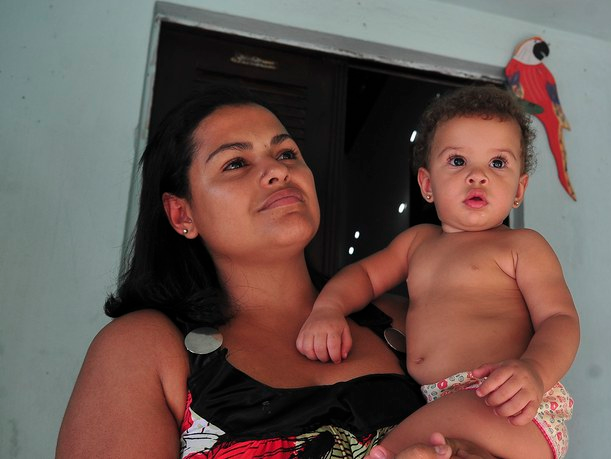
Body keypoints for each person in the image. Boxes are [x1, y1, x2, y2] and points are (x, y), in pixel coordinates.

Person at [55, 86, 493, 459]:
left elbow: (520, 428)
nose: (278, 170)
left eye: (286, 152)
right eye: (235, 163)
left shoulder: (404, 321)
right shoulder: (143, 348)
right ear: (181, 213)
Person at [296, 85, 580, 459]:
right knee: (422, 451)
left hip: (506, 401)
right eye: (458, 161)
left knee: (386, 452)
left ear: (518, 190)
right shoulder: (417, 243)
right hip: (452, 410)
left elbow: (559, 318)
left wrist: (535, 371)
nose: (478, 176)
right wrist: (328, 309)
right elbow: (364, 276)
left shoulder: (522, 246)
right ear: (428, 185)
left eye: (498, 163)